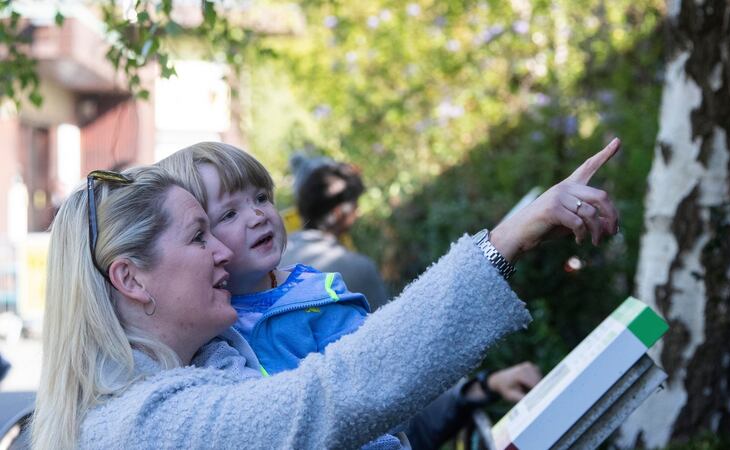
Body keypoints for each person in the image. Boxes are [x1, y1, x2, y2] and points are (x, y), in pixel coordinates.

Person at [31, 139, 621, 449]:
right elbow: (328, 397)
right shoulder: (145, 426)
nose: (221, 251)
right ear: (131, 279)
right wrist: (505, 241)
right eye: (201, 233)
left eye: (257, 201)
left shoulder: (212, 366)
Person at [159, 143, 542, 449]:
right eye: (228, 214)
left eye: (261, 197)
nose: (257, 215)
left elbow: (387, 376)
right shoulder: (205, 331)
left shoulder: (320, 293)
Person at [283, 155, 390, 309]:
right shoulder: (359, 268)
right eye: (355, 205)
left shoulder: (277, 255)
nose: (358, 212)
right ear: (339, 212)